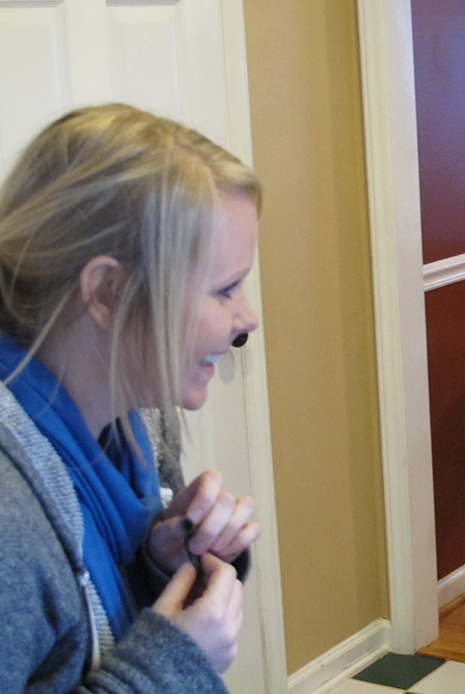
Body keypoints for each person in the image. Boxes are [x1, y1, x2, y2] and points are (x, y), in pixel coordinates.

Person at [0, 104, 263, 693]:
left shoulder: (137, 426)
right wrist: (165, 670)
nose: (248, 318)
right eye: (224, 290)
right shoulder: (7, 519)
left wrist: (162, 563)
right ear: (108, 292)